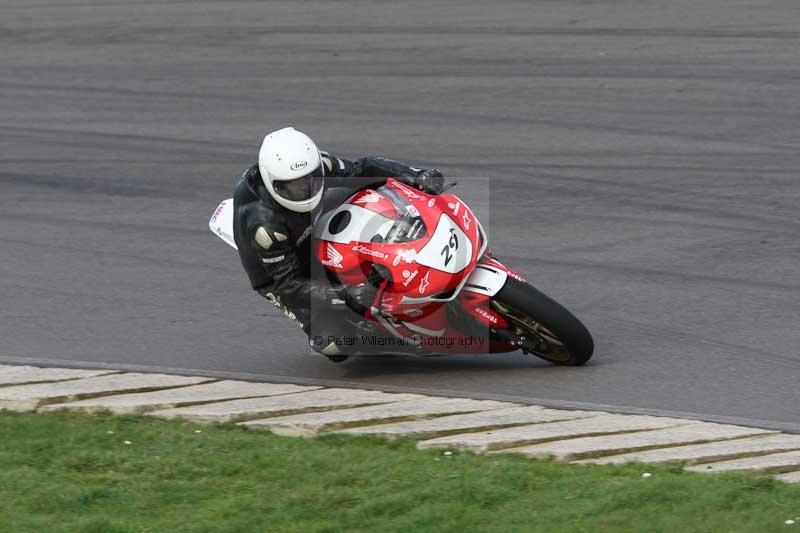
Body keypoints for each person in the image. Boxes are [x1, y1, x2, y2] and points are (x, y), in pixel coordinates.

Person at [232, 127, 444, 362]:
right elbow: (289, 286)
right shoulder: (265, 226)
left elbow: (362, 168)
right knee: (334, 344)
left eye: (310, 179)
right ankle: (385, 339)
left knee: (365, 190)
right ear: (274, 184)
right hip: (279, 273)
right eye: (294, 186)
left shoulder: (318, 165)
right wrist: (345, 295)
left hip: (310, 223)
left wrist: (415, 175)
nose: (305, 189)